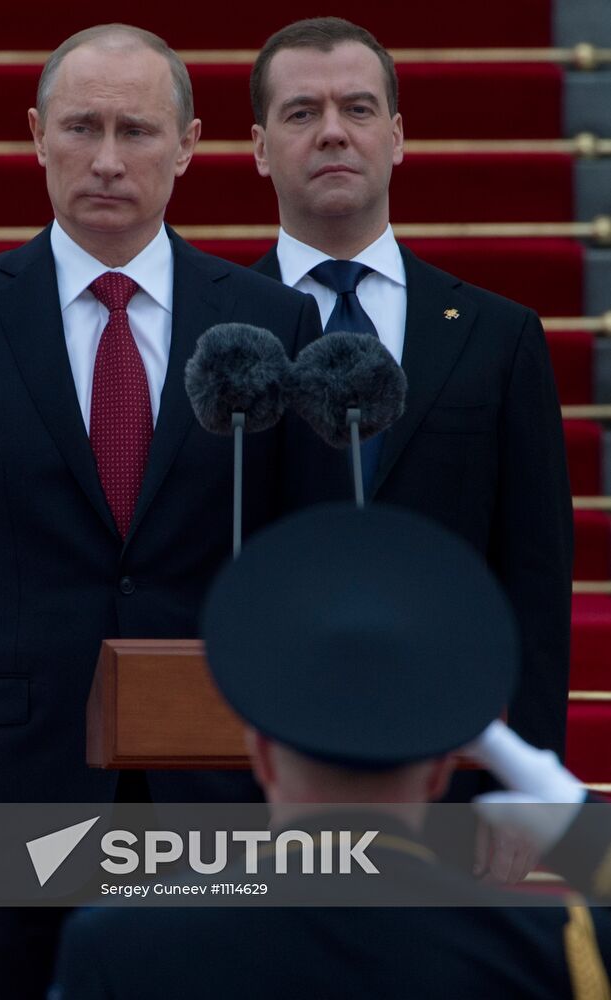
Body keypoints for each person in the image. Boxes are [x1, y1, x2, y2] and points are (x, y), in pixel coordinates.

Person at [0, 24, 350, 1000]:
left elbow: (311, 569)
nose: (108, 159)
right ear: (37, 135)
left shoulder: (271, 322)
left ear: (189, 145)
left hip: (219, 786)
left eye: (137, 130)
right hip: (11, 786)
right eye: (82, 127)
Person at [51, 503, 611, 1000]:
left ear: (262, 757)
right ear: (440, 772)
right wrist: (582, 830)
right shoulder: (545, 950)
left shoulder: (122, 945)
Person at [247, 17, 573, 760]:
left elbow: (537, 576)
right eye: (301, 112)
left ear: (395, 137)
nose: (333, 132)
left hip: (449, 751)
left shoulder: (498, 336)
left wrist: (525, 778)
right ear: (260, 149)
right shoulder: (215, 334)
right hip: (260, 760)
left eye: (357, 108)